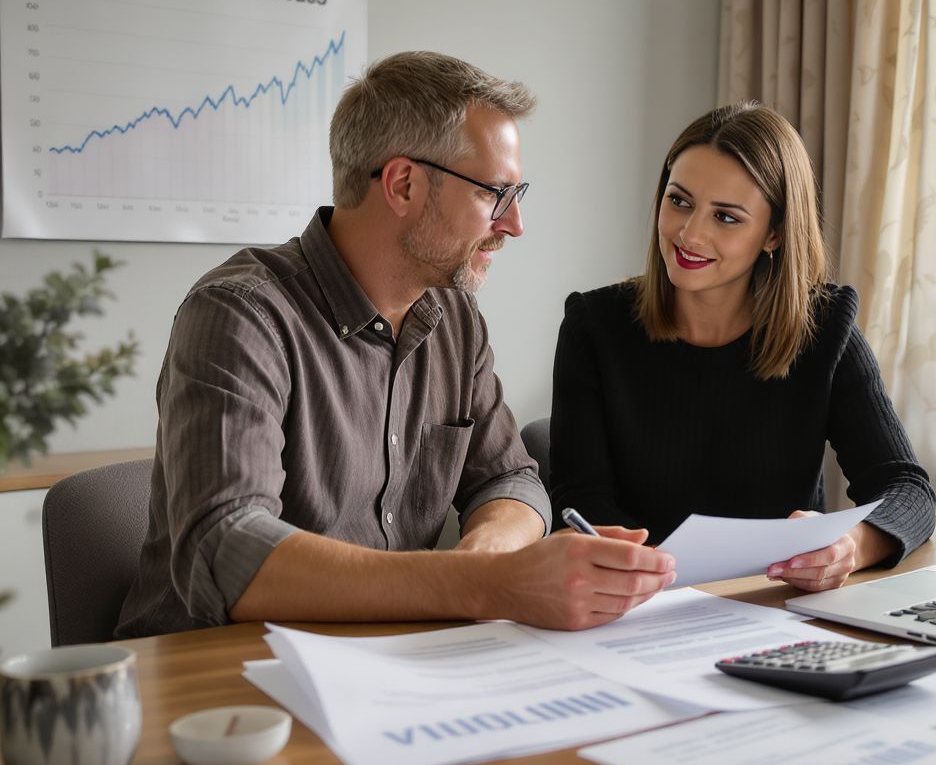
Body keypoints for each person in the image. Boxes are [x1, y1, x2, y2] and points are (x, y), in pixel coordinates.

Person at [117, 52, 675, 638]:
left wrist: (483, 557)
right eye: (495, 194)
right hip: (218, 686)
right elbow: (227, 553)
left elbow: (512, 480)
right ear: (403, 184)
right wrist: (486, 586)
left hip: (386, 668)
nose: (514, 225)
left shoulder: (454, 316)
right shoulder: (241, 316)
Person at [549, 103, 935, 592]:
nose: (689, 234)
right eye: (680, 201)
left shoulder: (824, 331)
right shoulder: (594, 326)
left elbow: (907, 488)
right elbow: (580, 499)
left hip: (772, 603)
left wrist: (851, 546)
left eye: (726, 217)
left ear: (773, 234)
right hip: (638, 605)